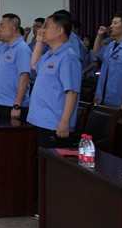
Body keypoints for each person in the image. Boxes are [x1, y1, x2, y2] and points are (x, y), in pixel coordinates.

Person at [27, 13, 81, 148]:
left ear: (60, 30)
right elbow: (34, 65)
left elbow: (72, 92)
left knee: (50, 159)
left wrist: (65, 121)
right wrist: (39, 42)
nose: (42, 30)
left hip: (54, 122)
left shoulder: (68, 57)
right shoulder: (49, 54)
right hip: (39, 118)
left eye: (47, 26)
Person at [93, 11, 122, 115]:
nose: (111, 26)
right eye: (112, 23)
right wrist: (99, 35)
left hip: (120, 101)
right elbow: (96, 53)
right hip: (104, 98)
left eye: (115, 23)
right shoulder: (111, 45)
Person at [0, 13, 31, 121]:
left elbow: (24, 78)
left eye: (2, 26)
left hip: (13, 104)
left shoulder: (22, 48)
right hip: (2, 101)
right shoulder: (5, 47)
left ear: (12, 29)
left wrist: (17, 105)